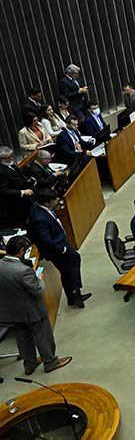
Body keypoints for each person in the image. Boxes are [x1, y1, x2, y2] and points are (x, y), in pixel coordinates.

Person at [0, 235, 73, 375]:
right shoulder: (23, 271)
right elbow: (38, 290)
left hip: (12, 311)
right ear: (21, 251)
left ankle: (29, 365)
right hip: (32, 310)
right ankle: (51, 362)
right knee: (42, 336)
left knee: (22, 337)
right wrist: (38, 279)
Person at [27, 189, 90, 308]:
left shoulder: (37, 205)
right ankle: (75, 292)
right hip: (58, 249)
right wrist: (62, 249)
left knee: (68, 269)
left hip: (61, 242)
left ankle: (74, 294)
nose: (58, 200)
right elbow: (46, 240)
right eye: (55, 199)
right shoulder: (39, 219)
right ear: (46, 203)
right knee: (70, 266)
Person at [0, 146, 35, 228]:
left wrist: (27, 181)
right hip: (15, 202)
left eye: (11, 156)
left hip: (25, 199)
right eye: (8, 157)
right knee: (21, 223)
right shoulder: (1, 171)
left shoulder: (10, 164)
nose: (11, 158)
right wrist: (22, 192)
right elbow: (3, 191)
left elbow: (18, 177)